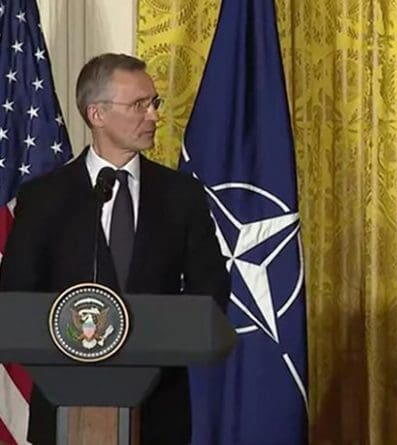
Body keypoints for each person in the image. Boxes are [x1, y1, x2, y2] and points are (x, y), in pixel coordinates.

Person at [0, 53, 230, 444]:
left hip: (159, 412)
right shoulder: (43, 197)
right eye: (139, 105)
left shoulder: (182, 195)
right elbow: (16, 297)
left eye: (154, 103)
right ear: (97, 114)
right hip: (63, 411)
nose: (154, 115)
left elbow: (211, 291)